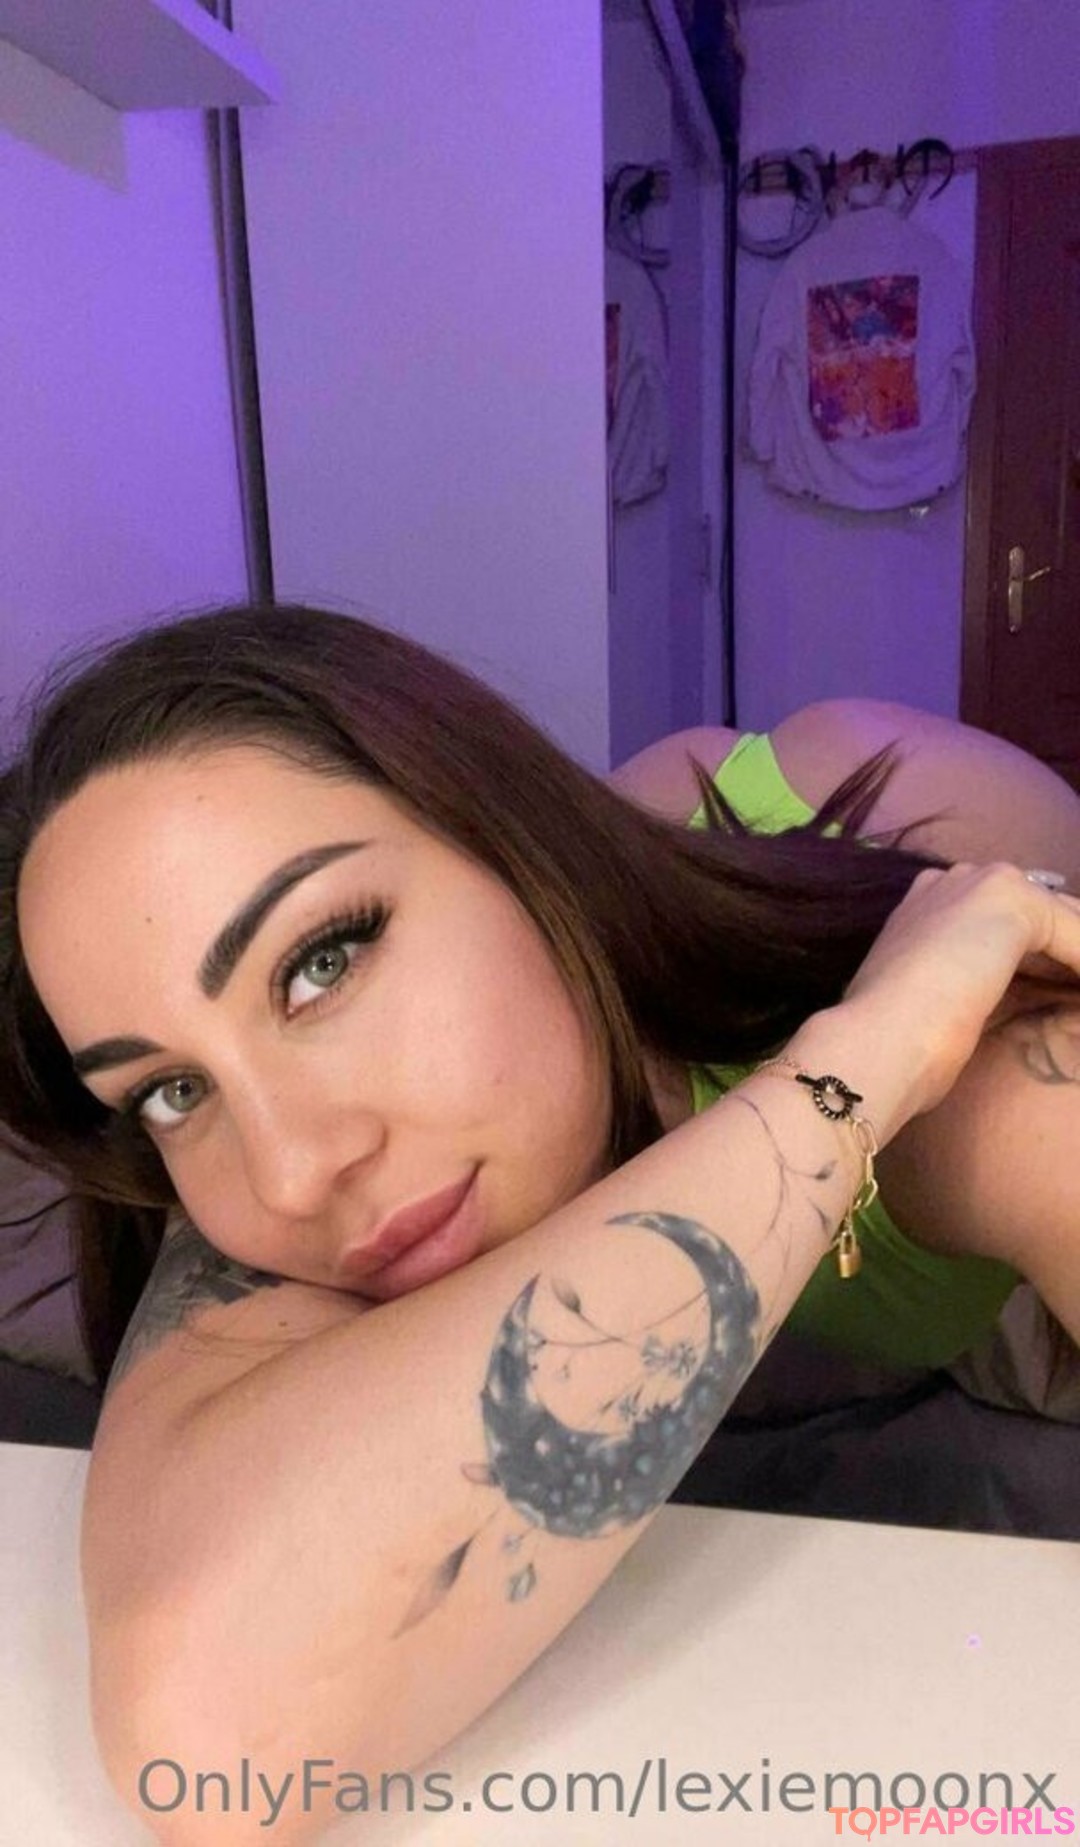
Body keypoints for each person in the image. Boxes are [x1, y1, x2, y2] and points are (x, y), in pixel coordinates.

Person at [2, 602, 1079, 1847]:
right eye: (172, 1090)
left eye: (322, 963)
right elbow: (206, 1726)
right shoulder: (286, 1193)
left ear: (513, 837)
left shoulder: (990, 1070)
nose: (293, 1173)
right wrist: (860, 1064)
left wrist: (893, 1057)